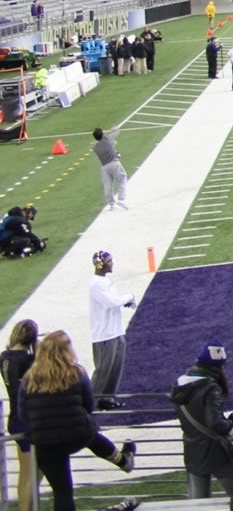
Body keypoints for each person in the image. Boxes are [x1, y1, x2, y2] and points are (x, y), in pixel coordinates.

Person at [20, 329, 137, 511]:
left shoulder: (29, 379)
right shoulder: (77, 372)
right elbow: (89, 406)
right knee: (90, 433)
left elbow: (23, 413)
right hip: (78, 435)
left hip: (45, 442)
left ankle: (123, 460)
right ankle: (122, 460)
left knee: (62, 492)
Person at [170, 340, 233, 504]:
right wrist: (232, 423)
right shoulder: (210, 388)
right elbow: (215, 424)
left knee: (198, 505)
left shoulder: (179, 385)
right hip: (215, 452)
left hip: (192, 451)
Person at [88, 250, 134, 409]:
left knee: (115, 369)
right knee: (102, 372)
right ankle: (90, 403)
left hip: (116, 331)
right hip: (104, 335)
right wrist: (129, 297)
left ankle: (107, 399)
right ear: (101, 265)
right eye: (109, 261)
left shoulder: (105, 281)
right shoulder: (96, 285)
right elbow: (112, 302)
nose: (112, 263)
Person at [3, 319, 37, 511]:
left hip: (14, 419)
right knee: (32, 473)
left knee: (24, 473)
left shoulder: (4, 356)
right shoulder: (27, 359)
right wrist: (38, 347)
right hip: (26, 420)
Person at [91, 128, 128, 211]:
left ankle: (111, 205)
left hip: (104, 167)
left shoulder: (95, 147)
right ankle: (121, 199)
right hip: (114, 163)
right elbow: (117, 131)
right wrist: (112, 129)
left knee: (108, 186)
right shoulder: (108, 139)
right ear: (102, 133)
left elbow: (98, 143)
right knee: (122, 179)